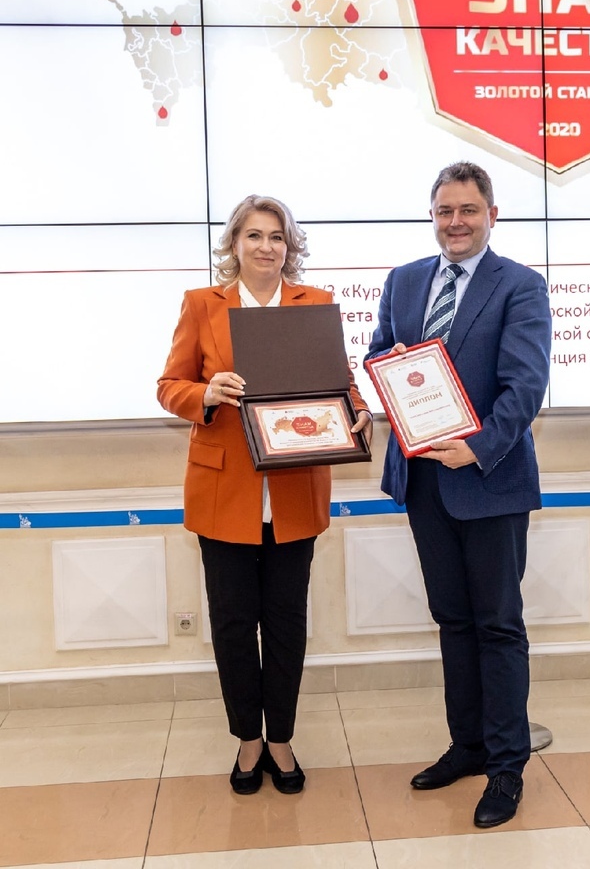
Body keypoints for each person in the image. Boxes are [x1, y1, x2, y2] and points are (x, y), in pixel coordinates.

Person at [158, 195, 372, 796]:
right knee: (232, 626)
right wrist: (205, 393)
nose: (266, 246)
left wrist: (358, 414)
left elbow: (342, 383)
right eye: (254, 235)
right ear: (235, 243)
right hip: (223, 492)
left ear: (289, 246)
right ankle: (247, 740)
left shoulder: (316, 303)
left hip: (295, 492)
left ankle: (281, 738)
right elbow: (169, 386)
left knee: (285, 624)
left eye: (277, 236)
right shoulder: (202, 304)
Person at [365, 162, 551, 828]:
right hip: (423, 480)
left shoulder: (520, 285)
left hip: (490, 479)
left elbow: (525, 386)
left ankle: (506, 767)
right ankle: (467, 745)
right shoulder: (404, 280)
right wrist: (389, 376)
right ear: (433, 215)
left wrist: (477, 445)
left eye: (468, 210)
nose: (456, 222)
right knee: (452, 620)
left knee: (498, 624)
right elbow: (379, 356)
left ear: (491, 215)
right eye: (445, 210)